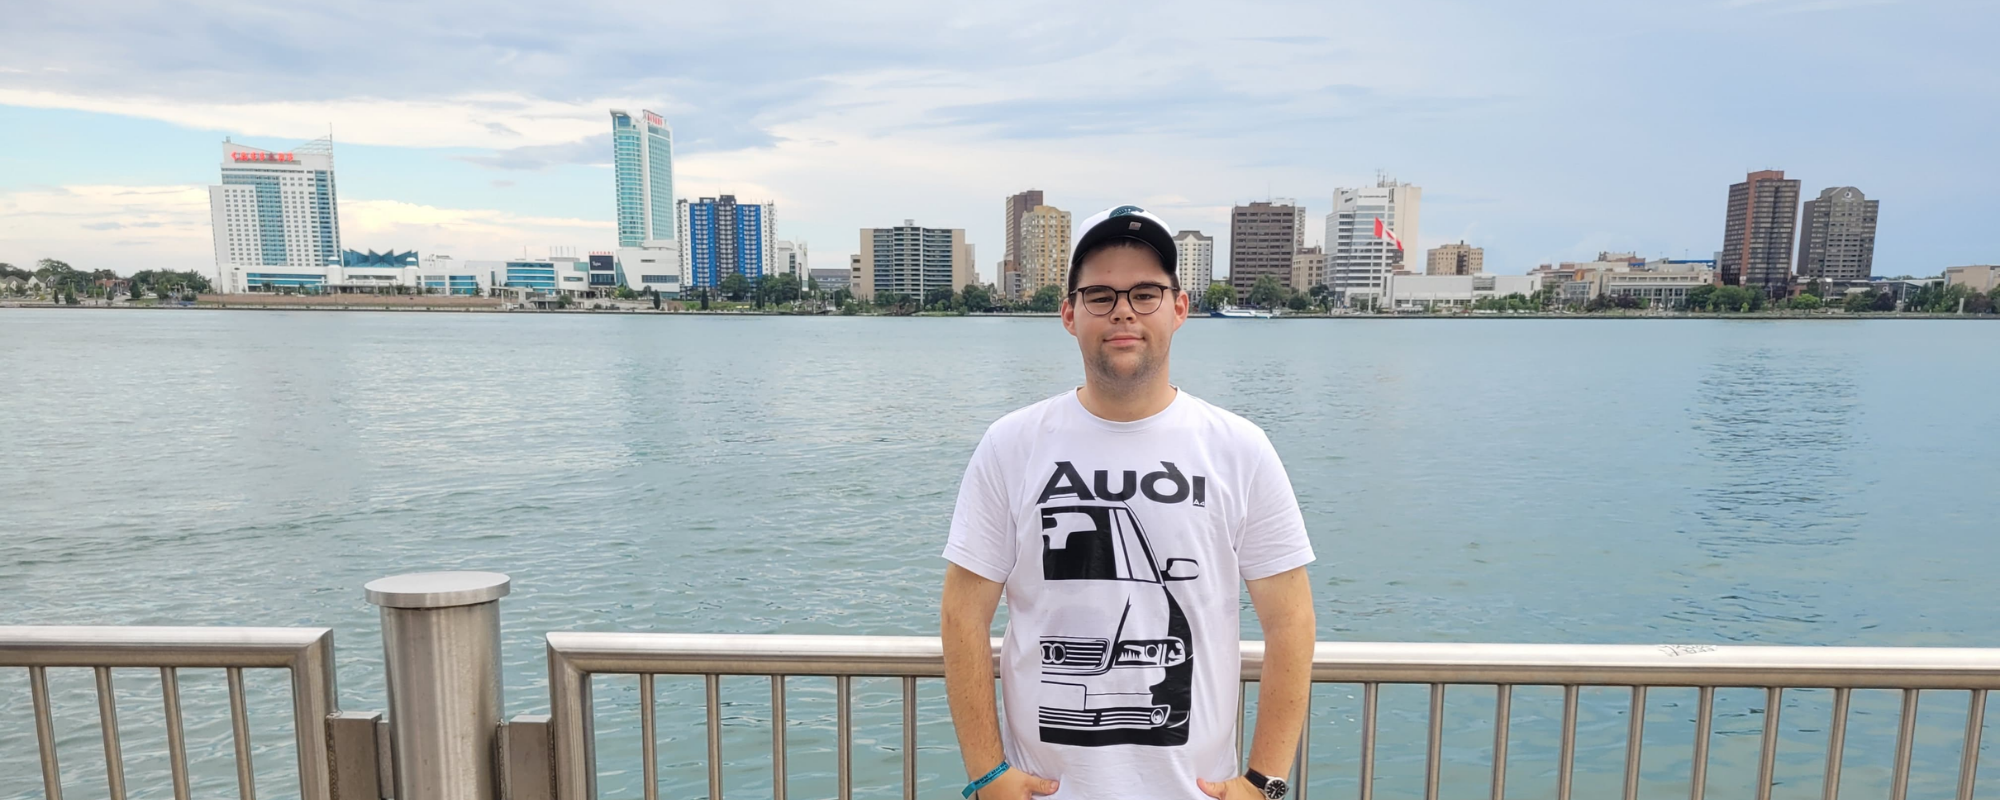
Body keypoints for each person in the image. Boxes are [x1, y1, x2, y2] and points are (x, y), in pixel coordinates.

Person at [941, 205, 1317, 800]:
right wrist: (987, 771)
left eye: (1146, 293)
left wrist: (1265, 780)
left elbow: (1291, 619)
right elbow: (963, 612)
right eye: (1100, 295)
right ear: (1068, 314)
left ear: (1179, 307)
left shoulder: (1240, 449)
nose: (1123, 310)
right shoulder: (1010, 445)